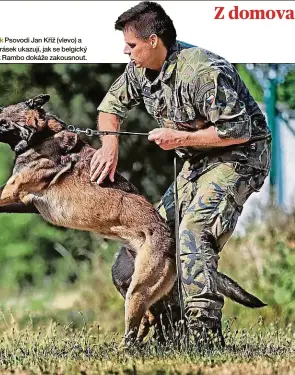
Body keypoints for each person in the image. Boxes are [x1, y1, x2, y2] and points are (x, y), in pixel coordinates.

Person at [91, 1, 271, 346]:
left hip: (239, 156)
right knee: (152, 237)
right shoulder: (139, 71)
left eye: (131, 45)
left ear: (154, 41)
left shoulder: (203, 71)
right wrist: (109, 146)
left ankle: (204, 338)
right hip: (197, 159)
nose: (125, 52)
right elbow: (109, 108)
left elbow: (239, 131)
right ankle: (170, 333)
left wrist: (181, 138)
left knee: (193, 232)